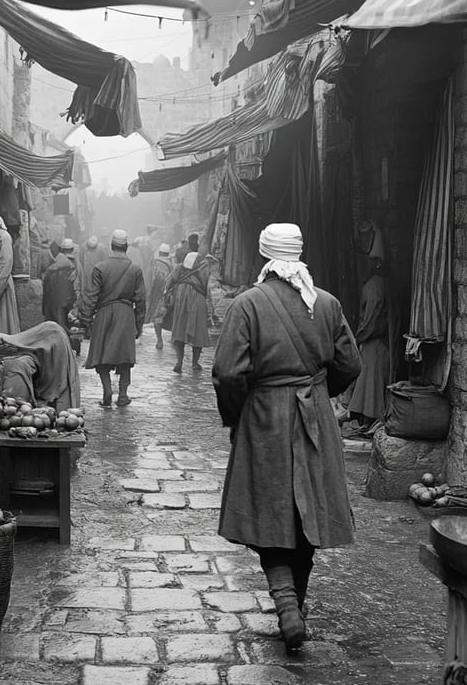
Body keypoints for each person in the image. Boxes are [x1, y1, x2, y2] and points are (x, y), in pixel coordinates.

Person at [212, 223, 361, 651]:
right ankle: (297, 603)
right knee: (306, 513)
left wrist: (236, 415)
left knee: (269, 511)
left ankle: (286, 605)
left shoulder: (248, 305)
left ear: (265, 256)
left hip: (265, 419)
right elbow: (350, 364)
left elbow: (227, 373)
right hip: (315, 417)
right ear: (299, 253)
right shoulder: (327, 304)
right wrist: (317, 394)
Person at [79, 229, 146, 408]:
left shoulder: (100, 268)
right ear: (126, 246)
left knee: (102, 354)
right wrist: (139, 325)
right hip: (126, 315)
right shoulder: (135, 270)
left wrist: (86, 320)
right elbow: (140, 300)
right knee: (124, 357)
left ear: (111, 246)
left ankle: (107, 390)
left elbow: (91, 296)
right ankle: (123, 395)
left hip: (104, 314)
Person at [347, 226, 390, 434]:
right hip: (375, 340)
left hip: (374, 341)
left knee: (371, 383)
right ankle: (366, 418)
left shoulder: (373, 286)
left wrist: (359, 338)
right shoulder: (378, 284)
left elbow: (371, 318)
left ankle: (369, 419)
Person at [166, 233, 210, 373]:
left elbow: (169, 283)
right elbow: (206, 286)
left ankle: (179, 361)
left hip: (180, 300)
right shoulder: (202, 269)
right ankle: (195, 363)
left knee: (179, 329)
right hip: (198, 300)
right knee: (198, 331)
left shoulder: (179, 269)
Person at [42, 238, 81, 355]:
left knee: (55, 325)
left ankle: (57, 350)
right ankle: (72, 349)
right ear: (72, 249)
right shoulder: (76, 265)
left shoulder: (52, 265)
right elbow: (79, 284)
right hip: (70, 300)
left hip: (53, 301)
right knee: (69, 326)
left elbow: (46, 286)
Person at [146, 243, 173, 350]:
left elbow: (149, 277)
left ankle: (159, 340)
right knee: (165, 316)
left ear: (160, 252)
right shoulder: (171, 264)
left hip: (155, 294)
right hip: (166, 295)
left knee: (157, 318)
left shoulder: (154, 262)